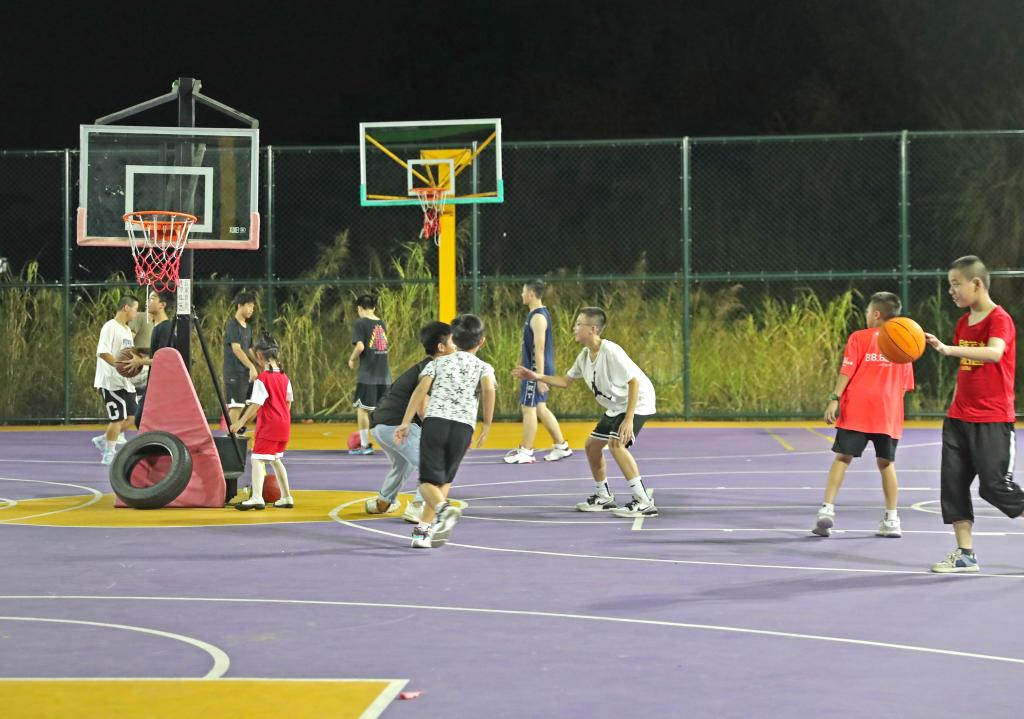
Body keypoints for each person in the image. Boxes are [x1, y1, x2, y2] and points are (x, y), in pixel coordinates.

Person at [923, 255, 1024, 573]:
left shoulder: (999, 319)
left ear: (976, 284)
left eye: (956, 284)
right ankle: (965, 554)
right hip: (958, 419)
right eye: (949, 285)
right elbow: (966, 372)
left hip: (992, 419)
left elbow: (994, 353)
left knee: (994, 487)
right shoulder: (962, 323)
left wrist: (948, 349)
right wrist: (953, 408)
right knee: (953, 487)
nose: (951, 290)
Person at [513, 306, 657, 517]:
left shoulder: (611, 351)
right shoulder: (584, 356)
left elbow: (634, 382)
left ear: (593, 329)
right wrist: (536, 376)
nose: (574, 327)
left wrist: (628, 419)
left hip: (638, 401)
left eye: (579, 324)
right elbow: (565, 381)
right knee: (591, 446)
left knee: (616, 444)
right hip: (617, 405)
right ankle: (604, 497)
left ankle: (643, 502)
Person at [811, 292, 915, 538]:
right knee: (886, 464)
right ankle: (892, 519)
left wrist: (834, 398)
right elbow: (905, 386)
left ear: (876, 314)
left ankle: (827, 510)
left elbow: (847, 370)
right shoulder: (905, 342)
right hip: (887, 412)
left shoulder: (859, 337)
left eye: (868, 312)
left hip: (858, 408)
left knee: (842, 458)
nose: (866, 315)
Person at [395, 314, 496, 548]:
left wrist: (405, 421)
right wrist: (487, 424)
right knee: (443, 481)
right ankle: (422, 532)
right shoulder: (484, 367)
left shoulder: (437, 363)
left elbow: (420, 391)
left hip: (436, 424)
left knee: (426, 482)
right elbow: (489, 391)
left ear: (454, 340)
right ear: (482, 341)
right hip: (464, 428)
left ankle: (443, 510)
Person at [365, 321, 456, 523]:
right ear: (441, 347)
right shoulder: (433, 368)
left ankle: (383, 502)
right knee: (431, 463)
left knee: (403, 464)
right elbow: (423, 410)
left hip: (380, 425)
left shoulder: (426, 366)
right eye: (453, 341)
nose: (457, 345)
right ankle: (418, 507)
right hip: (397, 425)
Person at [504, 279, 573, 464]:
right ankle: (561, 446)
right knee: (540, 408)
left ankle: (526, 451)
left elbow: (540, 349)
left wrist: (540, 378)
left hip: (536, 371)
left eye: (523, 292)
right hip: (534, 369)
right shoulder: (535, 314)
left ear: (531, 294)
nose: (521, 295)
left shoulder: (538, 318)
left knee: (528, 408)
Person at [231, 331, 295, 510]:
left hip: (269, 425)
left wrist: (240, 422)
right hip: (284, 424)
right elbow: (288, 402)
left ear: (259, 356)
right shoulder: (284, 377)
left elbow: (256, 404)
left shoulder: (263, 379)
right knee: (276, 459)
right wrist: (282, 417)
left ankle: (257, 497)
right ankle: (286, 497)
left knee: (257, 459)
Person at [114, 289, 175, 430]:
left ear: (162, 305)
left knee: (141, 418)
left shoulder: (165, 328)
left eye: (152, 298)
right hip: (154, 382)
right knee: (142, 419)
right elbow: (157, 356)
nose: (148, 302)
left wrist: (139, 361)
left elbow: (164, 360)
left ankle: (158, 441)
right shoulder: (157, 327)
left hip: (162, 384)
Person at [93, 295, 140, 465]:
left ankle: (104, 439)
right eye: (135, 309)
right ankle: (108, 453)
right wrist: (119, 366)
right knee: (117, 419)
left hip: (125, 381)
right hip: (110, 381)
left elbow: (127, 354)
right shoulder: (110, 327)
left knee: (133, 418)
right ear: (126, 308)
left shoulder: (127, 330)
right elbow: (103, 352)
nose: (136, 313)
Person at [348, 293, 391, 455]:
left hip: (368, 374)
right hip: (384, 374)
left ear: (359, 308)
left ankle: (365, 445)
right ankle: (393, 444)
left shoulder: (360, 323)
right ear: (374, 307)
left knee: (362, 409)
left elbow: (360, 347)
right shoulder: (381, 323)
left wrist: (352, 359)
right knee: (384, 411)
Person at [223, 291, 259, 429]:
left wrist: (261, 363)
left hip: (245, 374)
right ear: (239, 305)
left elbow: (248, 349)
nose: (252, 309)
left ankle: (238, 432)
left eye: (253, 307)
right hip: (234, 372)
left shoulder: (248, 327)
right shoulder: (233, 325)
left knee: (254, 405)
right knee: (237, 406)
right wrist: (251, 367)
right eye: (249, 305)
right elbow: (237, 349)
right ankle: (231, 437)